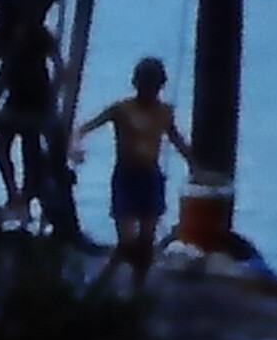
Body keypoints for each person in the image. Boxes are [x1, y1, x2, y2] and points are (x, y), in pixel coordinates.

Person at [78, 60, 192, 275]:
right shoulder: (121, 109)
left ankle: (136, 286)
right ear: (136, 83)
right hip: (126, 176)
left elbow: (177, 140)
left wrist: (194, 164)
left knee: (145, 243)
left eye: (153, 85)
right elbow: (85, 127)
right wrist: (76, 145)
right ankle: (105, 277)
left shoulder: (164, 112)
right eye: (145, 84)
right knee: (127, 240)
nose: (148, 90)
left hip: (150, 176)